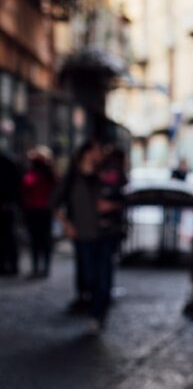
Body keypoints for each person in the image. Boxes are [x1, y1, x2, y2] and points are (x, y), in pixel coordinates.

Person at [54, 140, 119, 332]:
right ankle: (94, 304)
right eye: (98, 150)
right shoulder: (73, 177)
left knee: (104, 275)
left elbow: (123, 199)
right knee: (89, 275)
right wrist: (67, 225)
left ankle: (98, 313)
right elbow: (55, 202)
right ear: (87, 153)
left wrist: (112, 205)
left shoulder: (107, 174)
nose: (100, 154)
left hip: (106, 232)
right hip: (83, 233)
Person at [21, 147, 56, 278]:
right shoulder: (35, 174)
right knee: (37, 240)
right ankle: (38, 267)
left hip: (41, 210)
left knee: (42, 240)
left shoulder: (46, 175)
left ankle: (42, 268)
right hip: (35, 210)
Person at [0, 147, 21, 275]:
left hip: (7, 206)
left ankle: (11, 265)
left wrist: (8, 202)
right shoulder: (8, 162)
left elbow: (15, 185)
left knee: (9, 237)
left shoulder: (8, 163)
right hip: (7, 205)